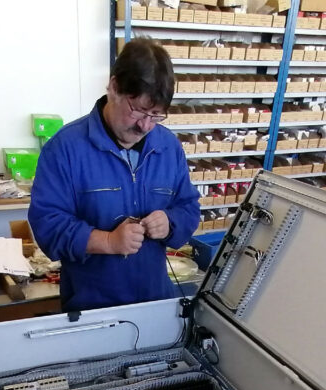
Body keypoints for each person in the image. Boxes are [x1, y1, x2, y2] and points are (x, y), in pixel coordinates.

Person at [28, 39, 201, 312]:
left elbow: (189, 207)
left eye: (156, 115)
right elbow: (48, 226)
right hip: (92, 309)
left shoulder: (168, 147)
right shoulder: (65, 149)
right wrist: (107, 242)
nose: (145, 125)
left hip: (154, 301)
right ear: (114, 87)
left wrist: (170, 222)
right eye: (138, 110)